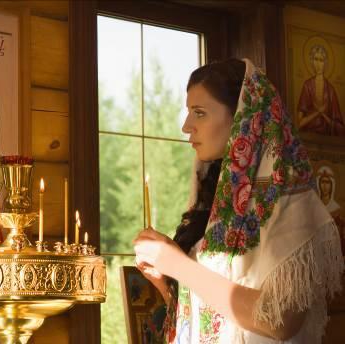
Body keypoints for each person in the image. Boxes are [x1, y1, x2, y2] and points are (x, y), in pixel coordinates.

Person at [134, 58, 343, 343]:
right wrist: (166, 280)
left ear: (244, 118)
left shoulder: (290, 202)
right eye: (188, 113)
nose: (186, 126)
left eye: (200, 113)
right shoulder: (216, 202)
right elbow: (212, 316)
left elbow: (279, 320)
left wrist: (179, 265)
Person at [297, 44, 345, 137]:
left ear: (325, 63)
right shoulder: (307, 86)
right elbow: (300, 122)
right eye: (315, 59)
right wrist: (318, 112)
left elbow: (340, 127)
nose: (318, 64)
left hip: (327, 140)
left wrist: (323, 115)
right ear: (311, 61)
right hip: (309, 137)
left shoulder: (330, 90)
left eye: (321, 60)